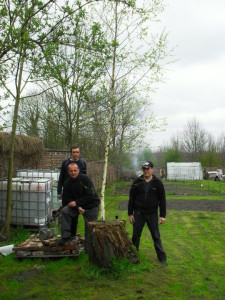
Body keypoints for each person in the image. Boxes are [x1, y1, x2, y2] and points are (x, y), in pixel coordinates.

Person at [128, 161, 167, 266]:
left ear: (152, 169)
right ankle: (134, 256)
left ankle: (162, 258)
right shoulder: (137, 182)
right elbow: (131, 199)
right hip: (139, 213)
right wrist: (130, 214)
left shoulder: (158, 183)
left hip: (152, 214)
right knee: (136, 236)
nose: (146, 171)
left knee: (156, 236)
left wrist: (162, 215)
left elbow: (162, 200)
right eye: (144, 169)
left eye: (148, 169)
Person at [57, 163, 100, 251]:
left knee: (90, 228)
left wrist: (77, 203)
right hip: (77, 206)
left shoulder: (85, 179)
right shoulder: (67, 183)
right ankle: (66, 236)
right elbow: (67, 198)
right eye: (71, 171)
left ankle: (89, 249)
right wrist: (77, 207)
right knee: (65, 211)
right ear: (68, 172)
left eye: (75, 170)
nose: (73, 172)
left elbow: (90, 195)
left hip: (91, 205)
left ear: (78, 170)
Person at [57, 146, 87, 237]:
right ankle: (65, 234)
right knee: (65, 212)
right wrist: (59, 191)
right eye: (74, 152)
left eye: (77, 152)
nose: (75, 154)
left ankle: (73, 235)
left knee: (75, 214)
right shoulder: (65, 163)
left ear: (79, 153)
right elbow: (61, 177)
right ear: (71, 153)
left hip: (77, 193)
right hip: (66, 193)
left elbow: (85, 178)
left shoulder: (82, 163)